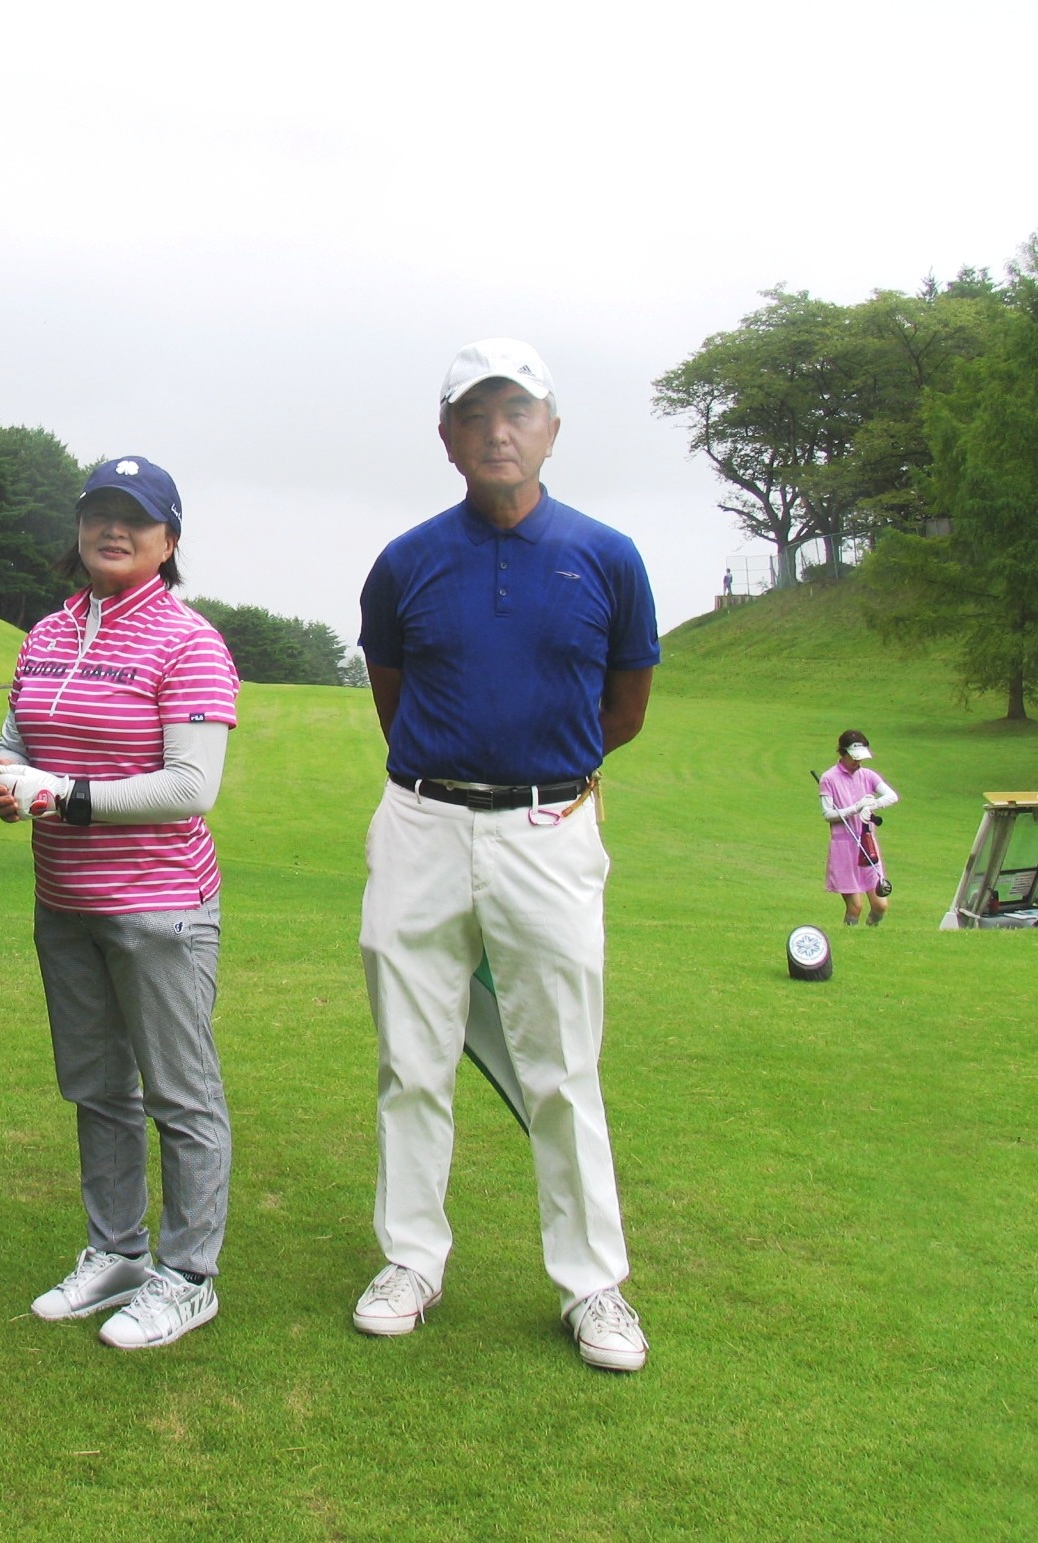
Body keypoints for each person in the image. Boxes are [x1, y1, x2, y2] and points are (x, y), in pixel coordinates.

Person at [353, 338, 660, 1372]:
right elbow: (395, 697)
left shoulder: (606, 556)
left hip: (547, 829)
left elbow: (621, 709)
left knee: (561, 1066)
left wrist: (537, 773)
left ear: (550, 429)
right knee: (411, 1058)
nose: (497, 432)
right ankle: (410, 1259)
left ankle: (592, 1284)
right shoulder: (405, 562)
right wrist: (458, 779)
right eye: (475, 414)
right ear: (445, 437)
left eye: (516, 411)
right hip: (421, 824)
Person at [0, 456, 240, 1351]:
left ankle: (189, 1274)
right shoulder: (48, 632)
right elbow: (16, 740)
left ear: (169, 539)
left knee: (180, 1093)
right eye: (99, 511)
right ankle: (117, 1250)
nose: (113, 529)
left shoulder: (188, 642)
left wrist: (64, 795)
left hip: (159, 907)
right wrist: (8, 781)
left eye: (135, 516)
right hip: (65, 901)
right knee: (96, 1087)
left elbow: (190, 786)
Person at [820, 730, 897, 926]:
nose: (858, 762)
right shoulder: (829, 778)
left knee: (880, 905)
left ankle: (870, 933)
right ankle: (850, 936)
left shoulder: (868, 775)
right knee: (855, 907)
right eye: (854, 758)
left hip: (867, 844)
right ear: (843, 753)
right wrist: (855, 808)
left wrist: (872, 805)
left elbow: (891, 796)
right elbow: (828, 814)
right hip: (844, 847)